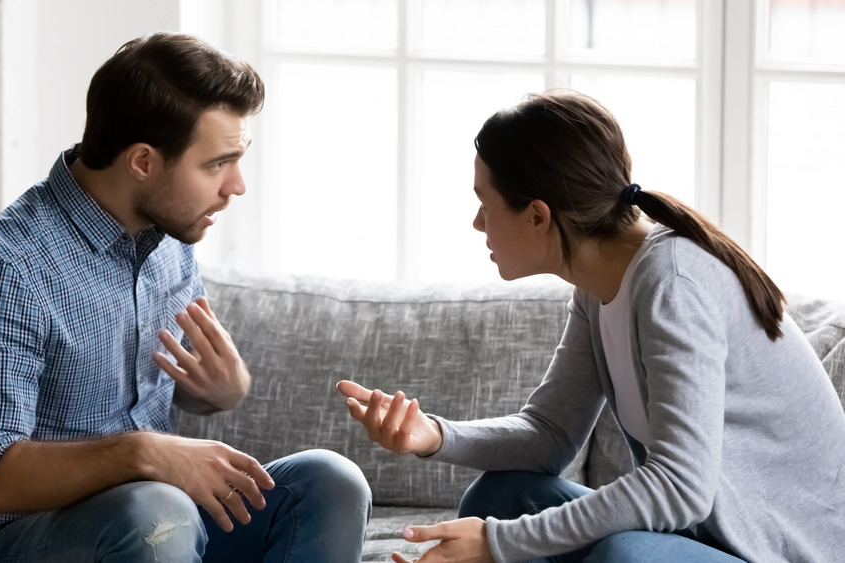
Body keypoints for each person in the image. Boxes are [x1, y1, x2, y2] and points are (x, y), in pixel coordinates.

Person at [337, 89, 845, 562]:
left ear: (537, 215)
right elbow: (549, 433)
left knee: (621, 556)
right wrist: (433, 435)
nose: (477, 223)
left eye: (485, 204)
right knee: (502, 494)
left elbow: (679, 487)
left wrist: (498, 542)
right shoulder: (598, 285)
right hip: (703, 541)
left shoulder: (672, 283)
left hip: (778, 553)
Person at [0, 32, 370, 563]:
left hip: (164, 532)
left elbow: (142, 390)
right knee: (157, 512)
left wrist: (219, 391)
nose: (236, 187)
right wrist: (145, 455)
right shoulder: (2, 270)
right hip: (38, 540)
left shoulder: (168, 236)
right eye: (216, 165)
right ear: (143, 161)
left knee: (329, 482)